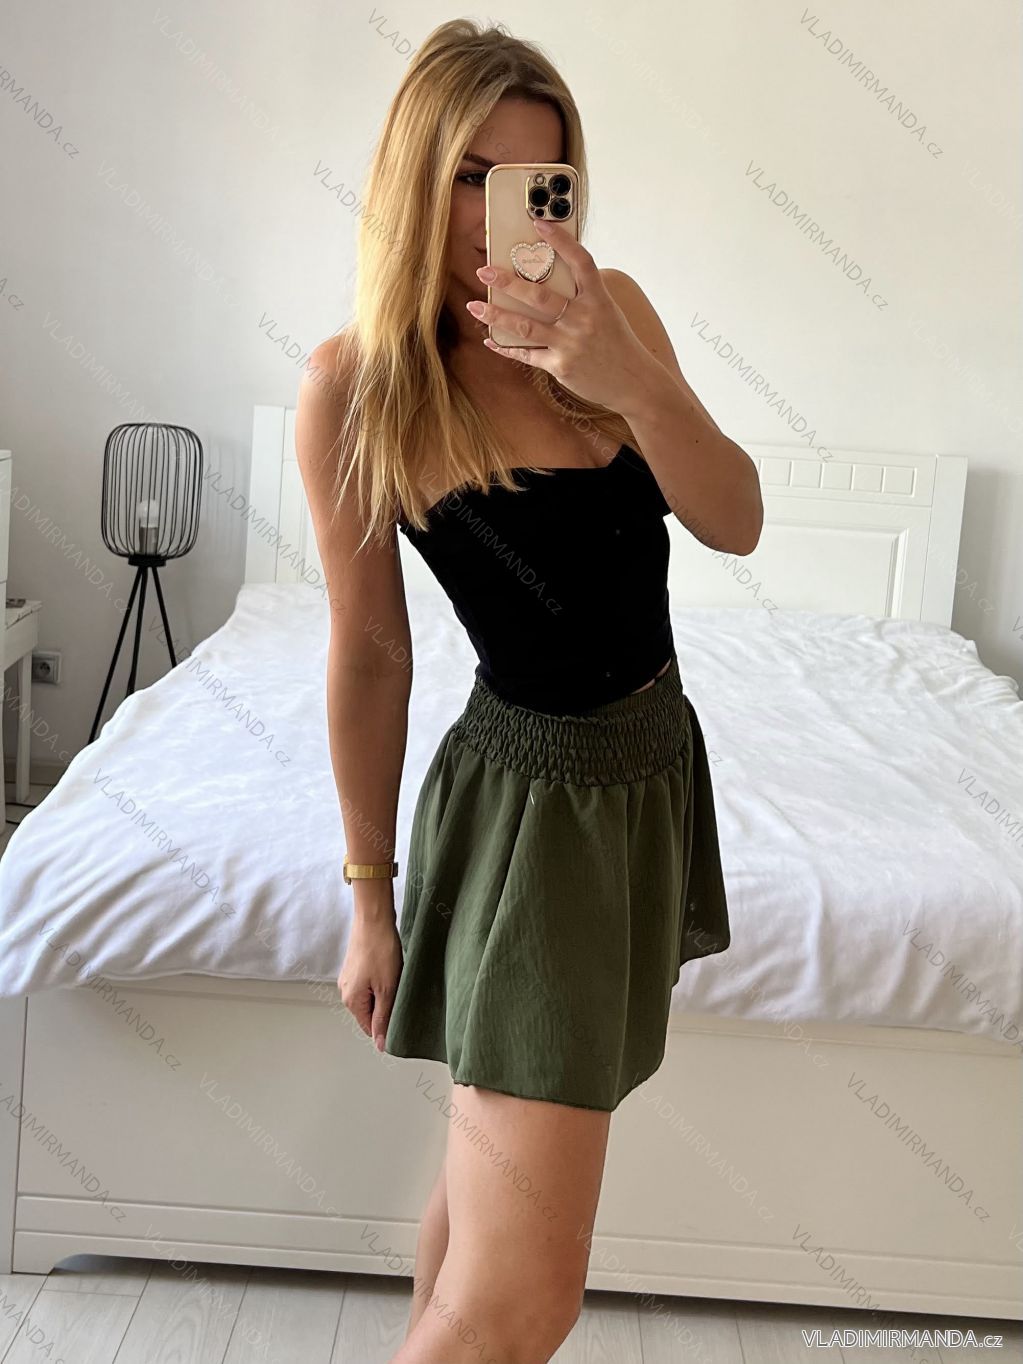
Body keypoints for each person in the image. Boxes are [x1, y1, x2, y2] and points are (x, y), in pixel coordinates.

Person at [295, 19, 762, 1364]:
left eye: (536, 180)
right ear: (416, 176)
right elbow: (371, 654)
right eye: (472, 176)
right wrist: (368, 900)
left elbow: (735, 519)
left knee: (478, 1214)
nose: (506, 210)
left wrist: (628, 384)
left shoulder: (615, 314)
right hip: (531, 819)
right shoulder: (361, 386)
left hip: (647, 782)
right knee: (520, 1303)